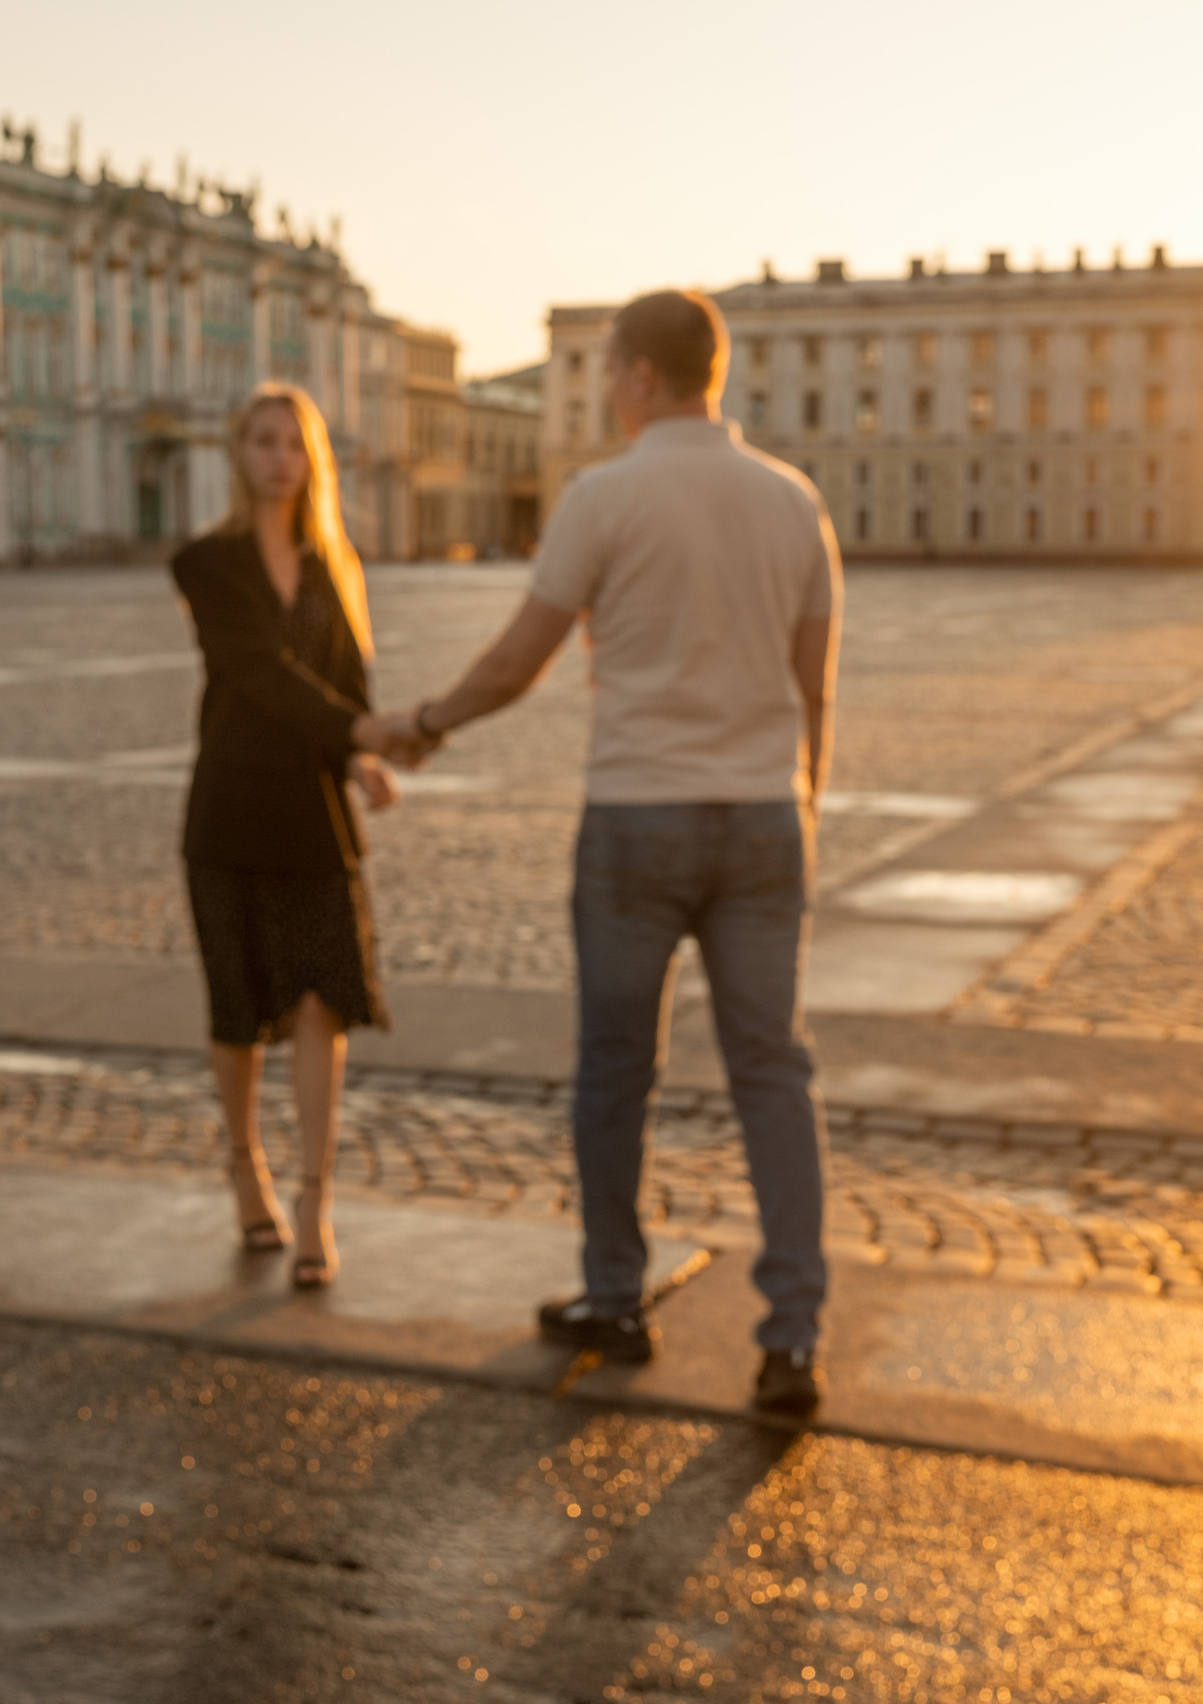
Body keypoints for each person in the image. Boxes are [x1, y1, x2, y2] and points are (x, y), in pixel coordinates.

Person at [373, 289, 842, 1417]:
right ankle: (790, 1339)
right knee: (773, 1072)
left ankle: (615, 1296)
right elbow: (814, 683)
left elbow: (519, 661)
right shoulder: (794, 501)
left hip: (637, 819)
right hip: (761, 817)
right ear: (714, 373)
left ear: (637, 374)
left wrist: (425, 722)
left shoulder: (604, 496)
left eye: (610, 375)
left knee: (615, 1069)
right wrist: (801, 805)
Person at [173, 383, 404, 1291]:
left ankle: (315, 1199)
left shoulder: (331, 565)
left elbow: (345, 682)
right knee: (238, 1013)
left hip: (314, 814)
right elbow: (259, 677)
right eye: (263, 441)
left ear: (313, 461)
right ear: (239, 453)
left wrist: (361, 755)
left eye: (293, 444)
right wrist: (362, 735)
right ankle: (245, 1167)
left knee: (322, 1006)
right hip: (229, 811)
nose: (278, 458)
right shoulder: (206, 564)